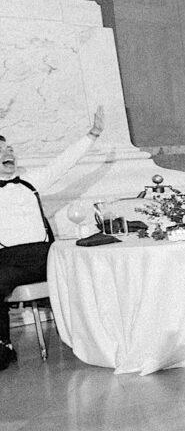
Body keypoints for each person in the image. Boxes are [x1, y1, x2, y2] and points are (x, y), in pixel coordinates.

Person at [0, 108, 104, 371]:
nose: (7, 153)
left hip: (42, 256)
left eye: (9, 149)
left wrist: (91, 135)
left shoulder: (30, 182)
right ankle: (3, 346)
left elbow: (63, 162)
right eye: (0, 151)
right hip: (8, 260)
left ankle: (93, 332)